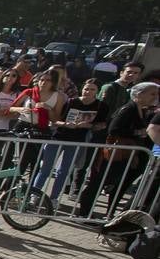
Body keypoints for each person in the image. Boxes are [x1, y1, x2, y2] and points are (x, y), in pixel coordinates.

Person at [76, 81, 158, 218]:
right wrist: (138, 132)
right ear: (139, 94)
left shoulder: (142, 110)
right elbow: (114, 129)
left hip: (126, 155)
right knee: (99, 182)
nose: (155, 97)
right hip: (113, 153)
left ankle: (106, 214)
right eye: (152, 94)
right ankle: (84, 214)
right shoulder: (128, 109)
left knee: (114, 184)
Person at [33, 78, 107, 202]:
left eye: (92, 89)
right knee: (45, 168)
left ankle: (54, 198)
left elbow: (102, 124)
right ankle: (34, 194)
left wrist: (89, 125)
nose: (88, 92)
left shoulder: (101, 106)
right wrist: (66, 124)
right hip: (59, 136)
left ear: (97, 91)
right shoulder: (71, 101)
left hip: (77, 140)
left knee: (64, 171)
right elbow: (56, 119)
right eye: (86, 89)